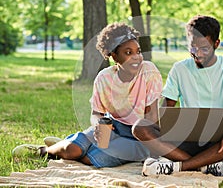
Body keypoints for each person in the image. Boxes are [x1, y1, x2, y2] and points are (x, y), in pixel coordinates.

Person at [12, 23, 163, 168]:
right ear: (113, 56)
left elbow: (152, 117)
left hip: (138, 137)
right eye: (128, 52)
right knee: (72, 150)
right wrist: (98, 125)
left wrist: (154, 151)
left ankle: (64, 143)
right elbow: (96, 113)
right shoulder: (104, 78)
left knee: (90, 158)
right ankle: (43, 151)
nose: (136, 57)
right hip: (112, 127)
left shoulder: (149, 72)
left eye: (138, 51)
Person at [132, 15, 223, 178]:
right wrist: (161, 129)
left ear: (216, 44)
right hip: (186, 139)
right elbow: (167, 105)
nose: (197, 54)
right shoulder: (179, 68)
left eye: (204, 48)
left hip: (219, 141)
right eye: (193, 48)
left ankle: (179, 167)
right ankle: (206, 165)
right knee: (140, 127)